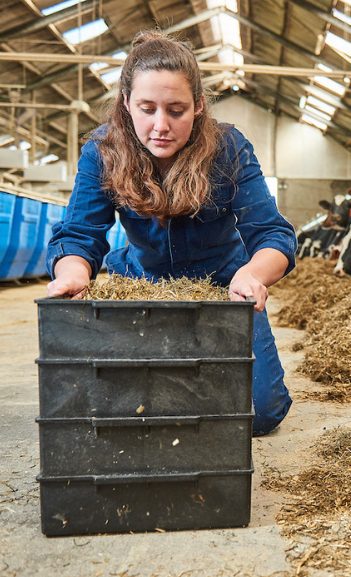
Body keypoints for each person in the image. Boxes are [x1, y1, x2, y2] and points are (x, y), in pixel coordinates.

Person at [45, 30, 297, 436]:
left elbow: (272, 234)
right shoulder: (102, 150)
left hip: (223, 288)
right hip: (141, 286)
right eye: (146, 108)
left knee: (260, 414)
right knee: (115, 406)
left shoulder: (228, 148)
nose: (160, 125)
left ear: (198, 105)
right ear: (126, 102)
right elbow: (79, 234)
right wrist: (73, 273)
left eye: (176, 110)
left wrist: (252, 275)